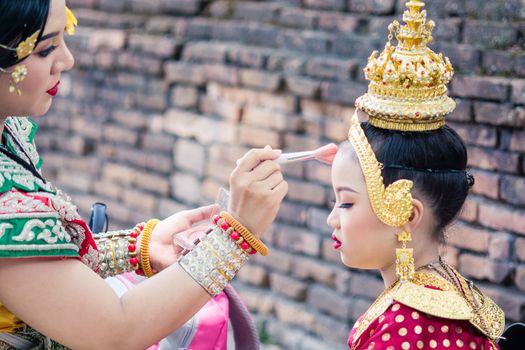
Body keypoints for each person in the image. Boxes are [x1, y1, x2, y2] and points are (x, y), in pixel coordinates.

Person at [0, 1, 288, 349]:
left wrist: (139, 249)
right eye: (46, 49)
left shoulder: (10, 130)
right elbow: (115, 331)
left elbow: (37, 270)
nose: (67, 60)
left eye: (65, 37)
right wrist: (235, 236)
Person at [326, 1, 505, 349]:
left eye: (346, 203)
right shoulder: (449, 292)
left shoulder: (407, 324)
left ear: (406, 214)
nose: (332, 218)